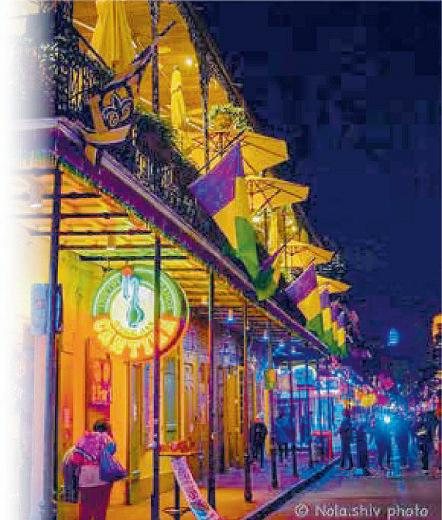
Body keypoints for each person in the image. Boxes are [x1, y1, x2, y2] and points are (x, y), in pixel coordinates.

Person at [71, 420, 117, 520]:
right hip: (102, 478)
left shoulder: (83, 439)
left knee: (85, 510)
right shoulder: (108, 439)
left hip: (85, 479)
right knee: (100, 511)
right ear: (107, 429)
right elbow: (111, 454)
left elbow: (75, 459)